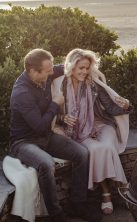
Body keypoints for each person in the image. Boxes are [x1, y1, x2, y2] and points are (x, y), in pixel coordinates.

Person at [9, 48, 101, 222]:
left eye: (52, 68)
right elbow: (40, 127)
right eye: (48, 70)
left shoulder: (45, 74)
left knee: (82, 153)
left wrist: (83, 64)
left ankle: (78, 203)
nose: (53, 72)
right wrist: (54, 104)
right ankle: (56, 215)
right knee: (46, 164)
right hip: (24, 142)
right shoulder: (21, 93)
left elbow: (68, 66)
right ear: (33, 71)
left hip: (46, 137)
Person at [52, 48, 130, 215]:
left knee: (108, 146)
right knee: (96, 149)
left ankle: (117, 190)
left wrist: (126, 106)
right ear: (71, 66)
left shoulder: (93, 83)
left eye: (87, 68)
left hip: (101, 124)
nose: (85, 71)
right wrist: (63, 118)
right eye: (81, 68)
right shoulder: (61, 86)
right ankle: (109, 193)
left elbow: (110, 108)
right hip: (77, 131)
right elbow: (53, 116)